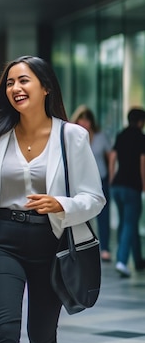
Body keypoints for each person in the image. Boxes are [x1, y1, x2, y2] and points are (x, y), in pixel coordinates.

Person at [0, 55, 105, 343]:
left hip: (50, 243)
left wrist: (61, 204)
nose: (15, 88)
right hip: (1, 241)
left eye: (24, 80)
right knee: (3, 333)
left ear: (46, 87)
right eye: (10, 83)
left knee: (42, 336)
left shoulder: (72, 136)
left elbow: (94, 198)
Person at [70, 105, 113, 262]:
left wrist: (111, 175)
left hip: (101, 179)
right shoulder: (72, 136)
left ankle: (105, 248)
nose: (84, 123)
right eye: (81, 119)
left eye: (87, 120)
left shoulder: (101, 137)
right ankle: (84, 247)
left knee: (104, 216)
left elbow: (110, 156)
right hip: (79, 181)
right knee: (82, 215)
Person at [108, 107, 145, 278]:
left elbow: (113, 157)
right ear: (140, 122)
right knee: (130, 223)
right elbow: (142, 163)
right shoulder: (141, 138)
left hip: (117, 186)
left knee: (127, 222)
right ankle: (122, 261)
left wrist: (111, 178)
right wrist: (143, 184)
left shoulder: (121, 135)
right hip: (132, 186)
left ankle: (138, 260)